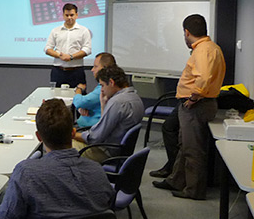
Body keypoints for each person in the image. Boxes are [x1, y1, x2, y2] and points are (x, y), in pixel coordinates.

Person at [153, 14, 226, 200]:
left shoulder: (202, 51)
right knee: (185, 145)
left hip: (196, 105)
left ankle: (194, 190)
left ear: (186, 32)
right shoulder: (212, 47)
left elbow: (203, 78)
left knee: (193, 150)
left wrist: (194, 97)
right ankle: (176, 180)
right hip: (199, 103)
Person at [74, 65, 144, 164]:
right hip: (119, 150)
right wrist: (103, 105)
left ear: (111, 82)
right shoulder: (135, 97)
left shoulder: (117, 102)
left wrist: (71, 134)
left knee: (61, 146)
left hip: (106, 152)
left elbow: (94, 138)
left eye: (102, 85)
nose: (102, 90)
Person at [44, 3, 92, 89]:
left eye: (72, 15)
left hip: (76, 71)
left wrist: (71, 57)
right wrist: (60, 55)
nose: (69, 17)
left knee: (78, 95)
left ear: (76, 15)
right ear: (63, 15)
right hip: (58, 71)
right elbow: (47, 48)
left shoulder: (84, 30)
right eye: (67, 15)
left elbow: (87, 49)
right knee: (55, 96)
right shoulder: (55, 30)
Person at [73, 52, 116, 129]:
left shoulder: (104, 88)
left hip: (89, 129)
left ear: (104, 69)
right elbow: (82, 103)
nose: (92, 70)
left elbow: (80, 102)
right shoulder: (109, 85)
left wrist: (78, 90)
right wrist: (81, 108)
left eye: (95, 66)